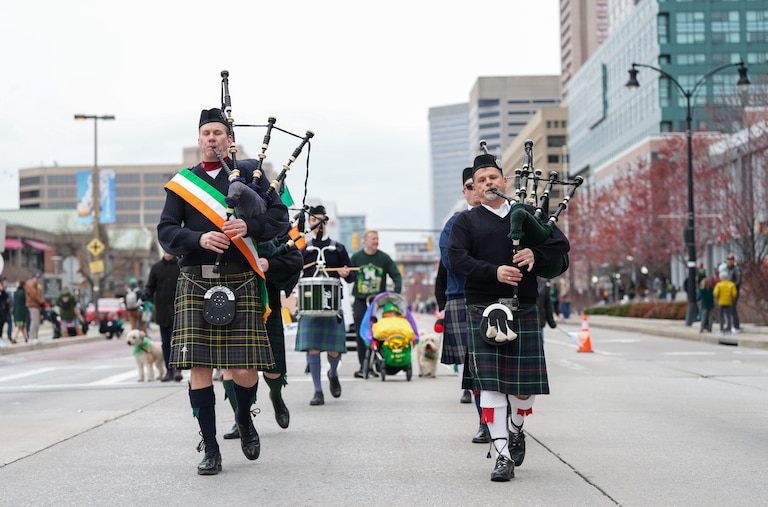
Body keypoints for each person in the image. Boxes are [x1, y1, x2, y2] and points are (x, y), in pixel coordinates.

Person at [157, 106, 290, 475]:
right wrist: (198, 237)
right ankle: (211, 447)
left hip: (240, 277)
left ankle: (244, 417)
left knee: (243, 367)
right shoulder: (182, 183)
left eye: (218, 133)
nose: (212, 138)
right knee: (198, 368)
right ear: (199, 140)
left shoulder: (250, 175)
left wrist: (249, 227)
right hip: (196, 280)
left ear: (229, 140)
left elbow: (280, 219)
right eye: (206, 133)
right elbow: (166, 231)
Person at [448, 152, 570, 482]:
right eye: (482, 180)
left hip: (524, 308)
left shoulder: (527, 213)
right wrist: (494, 272)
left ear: (505, 181)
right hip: (483, 309)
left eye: (493, 177)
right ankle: (502, 454)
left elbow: (561, 246)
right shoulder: (465, 222)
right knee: (491, 385)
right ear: (473, 186)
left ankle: (516, 428)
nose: (488, 183)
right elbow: (456, 260)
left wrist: (536, 252)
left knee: (522, 390)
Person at [221, 234, 303, 438]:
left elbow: (295, 260)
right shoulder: (223, 224)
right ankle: (242, 419)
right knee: (231, 367)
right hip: (233, 305)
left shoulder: (273, 229)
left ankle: (276, 396)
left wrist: (270, 264)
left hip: (267, 306)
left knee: (273, 369)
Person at [437, 167, 489, 444]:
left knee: (501, 369)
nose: (477, 189)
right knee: (477, 367)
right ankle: (485, 421)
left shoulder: (508, 218)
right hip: (463, 297)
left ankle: (511, 423)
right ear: (466, 191)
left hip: (500, 297)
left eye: (482, 182)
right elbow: (450, 262)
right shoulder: (456, 223)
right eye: (472, 184)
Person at [295, 205, 356, 406]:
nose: (318, 224)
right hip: (310, 304)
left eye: (321, 220)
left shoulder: (338, 248)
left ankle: (332, 373)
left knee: (333, 350)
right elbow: (295, 273)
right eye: (314, 221)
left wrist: (346, 273)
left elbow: (351, 276)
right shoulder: (303, 249)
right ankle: (318, 391)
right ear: (311, 223)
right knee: (312, 349)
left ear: (326, 222)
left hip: (332, 304)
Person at [350, 230, 402, 378]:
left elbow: (396, 275)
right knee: (361, 333)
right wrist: (346, 274)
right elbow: (349, 276)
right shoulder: (357, 257)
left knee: (380, 333)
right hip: (360, 300)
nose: (376, 241)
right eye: (373, 238)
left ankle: (379, 362)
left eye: (377, 239)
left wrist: (395, 294)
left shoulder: (384, 258)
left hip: (378, 301)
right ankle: (363, 366)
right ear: (364, 240)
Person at [143, 251, 182, 382]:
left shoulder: (180, 265)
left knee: (178, 341)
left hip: (179, 309)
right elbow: (150, 287)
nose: (168, 252)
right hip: (162, 310)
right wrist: (145, 296)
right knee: (166, 343)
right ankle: (169, 370)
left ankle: (178, 369)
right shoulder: (156, 267)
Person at [713, 263, 738, 336]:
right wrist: (731, 299)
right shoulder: (732, 284)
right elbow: (734, 294)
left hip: (721, 302)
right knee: (729, 316)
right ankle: (729, 329)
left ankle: (721, 329)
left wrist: (718, 298)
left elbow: (715, 293)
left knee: (721, 316)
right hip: (729, 302)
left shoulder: (719, 285)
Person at [24, 273, 45, 344]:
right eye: (36, 278)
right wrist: (41, 301)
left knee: (36, 321)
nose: (37, 280)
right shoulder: (30, 284)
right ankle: (32, 337)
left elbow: (38, 294)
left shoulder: (35, 285)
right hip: (32, 305)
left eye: (38, 278)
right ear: (33, 278)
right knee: (34, 321)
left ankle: (35, 337)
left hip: (36, 305)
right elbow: (34, 295)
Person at [726, 254, 742, 333]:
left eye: (730, 260)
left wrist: (731, 286)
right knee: (730, 309)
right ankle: (731, 325)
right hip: (730, 292)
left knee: (733, 309)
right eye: (728, 260)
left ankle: (736, 326)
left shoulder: (736, 269)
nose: (728, 262)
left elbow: (738, 281)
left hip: (734, 292)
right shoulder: (730, 269)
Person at [0, 276, 11, 343]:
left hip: (3, 311)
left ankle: (0, 339)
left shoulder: (4, 292)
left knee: (1, 325)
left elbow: (6, 297)